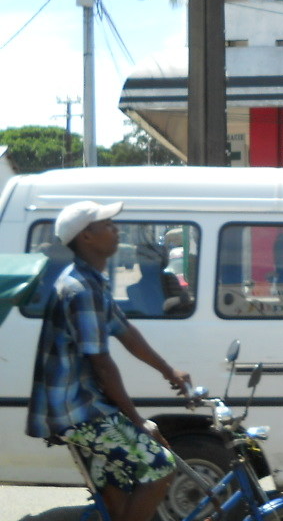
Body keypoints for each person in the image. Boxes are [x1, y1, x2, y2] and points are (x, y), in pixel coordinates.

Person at [26, 200, 191, 521]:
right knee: (159, 467)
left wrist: (168, 370)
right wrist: (138, 420)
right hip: (78, 410)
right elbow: (101, 363)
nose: (116, 230)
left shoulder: (93, 282)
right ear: (86, 236)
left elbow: (126, 331)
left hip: (84, 406)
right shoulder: (79, 289)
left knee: (116, 485)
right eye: (107, 224)